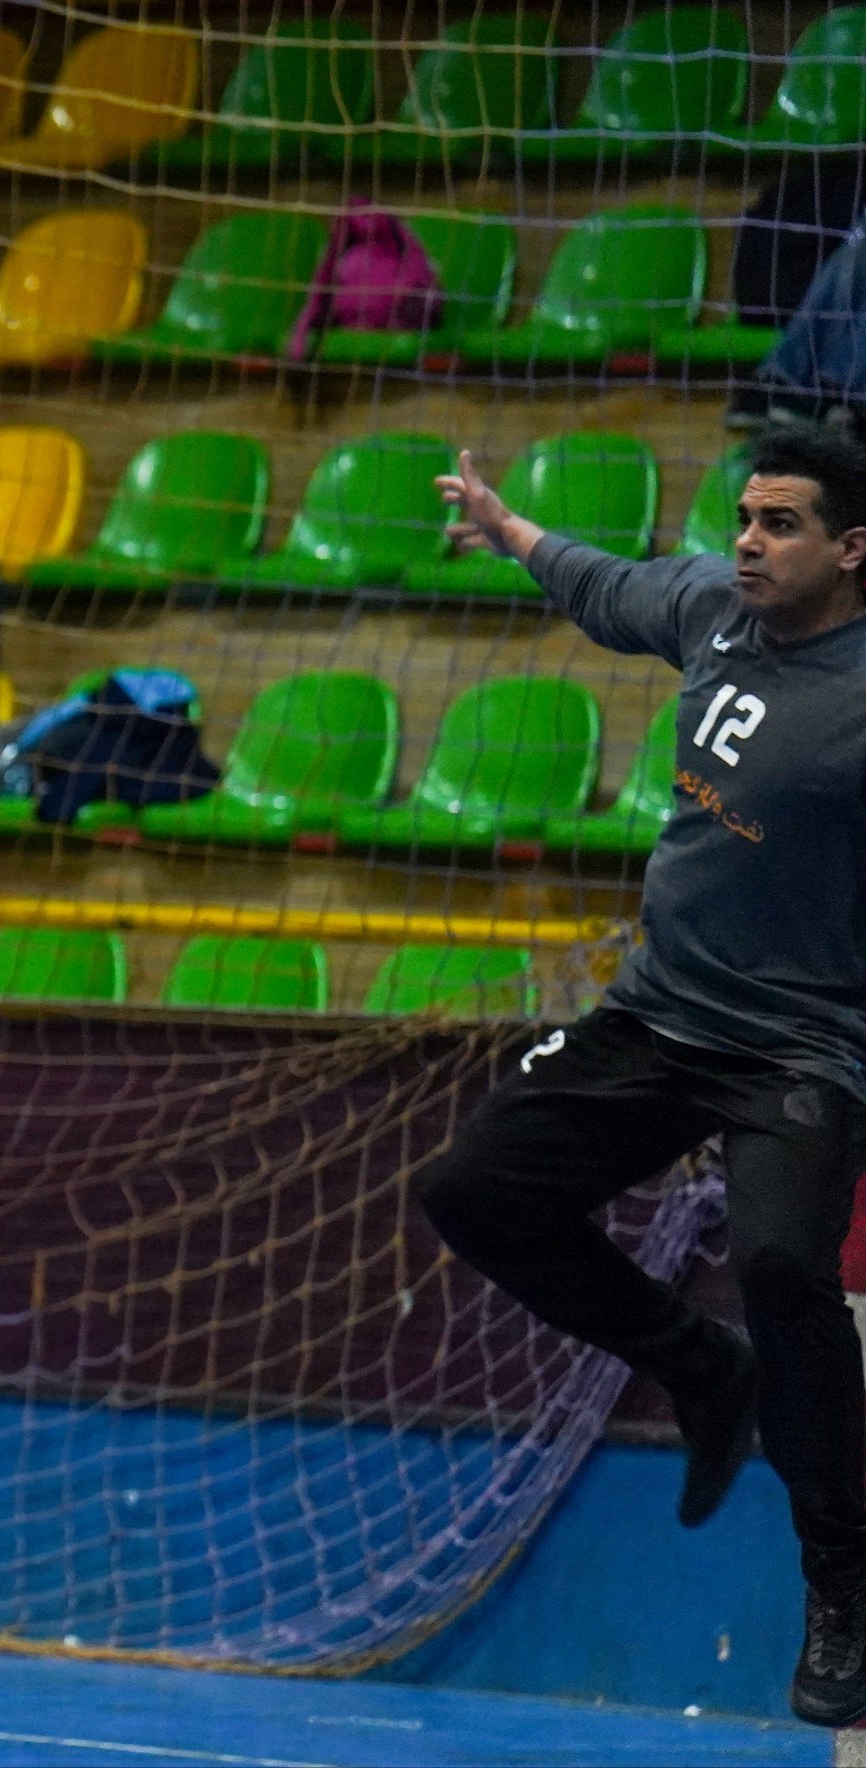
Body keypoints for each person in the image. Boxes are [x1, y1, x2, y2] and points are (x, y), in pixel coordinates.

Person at [414, 423, 866, 1728]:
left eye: (781, 524)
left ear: (851, 548)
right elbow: (601, 582)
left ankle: (844, 1577)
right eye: (746, 518)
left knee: (781, 1267)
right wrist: (506, 528)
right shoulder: (711, 608)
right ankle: (701, 1368)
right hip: (659, 1018)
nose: (749, 542)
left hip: (801, 1045)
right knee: (472, 1191)